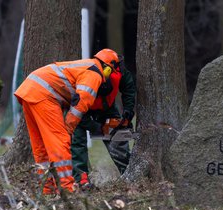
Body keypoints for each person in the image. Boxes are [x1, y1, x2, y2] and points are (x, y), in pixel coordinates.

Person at [14, 49, 119, 194]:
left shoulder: (86, 66)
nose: (108, 77)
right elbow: (80, 104)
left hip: (30, 90)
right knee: (61, 141)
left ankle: (47, 188)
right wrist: (69, 129)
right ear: (107, 68)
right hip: (44, 94)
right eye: (110, 72)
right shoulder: (95, 73)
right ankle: (66, 188)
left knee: (41, 146)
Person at [71, 54, 136, 189]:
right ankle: (81, 180)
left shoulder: (120, 71)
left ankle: (129, 174)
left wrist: (128, 111)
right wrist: (96, 127)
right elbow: (76, 111)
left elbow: (129, 89)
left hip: (107, 107)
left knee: (117, 137)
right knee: (77, 141)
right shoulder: (89, 73)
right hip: (82, 107)